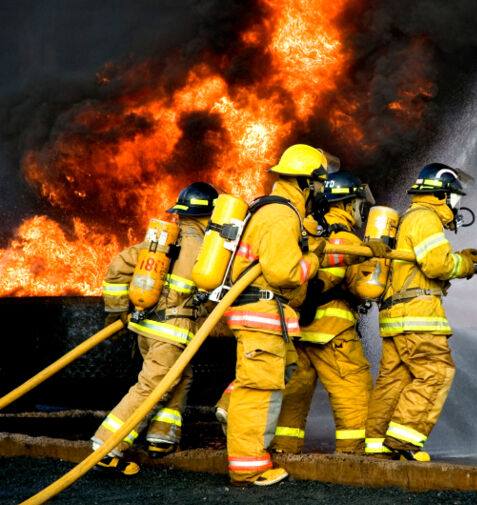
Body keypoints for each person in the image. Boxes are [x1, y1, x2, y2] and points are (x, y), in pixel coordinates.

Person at [92, 182, 219, 475]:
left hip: (146, 329)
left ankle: (161, 437)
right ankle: (106, 448)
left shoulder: (158, 243)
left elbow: (117, 267)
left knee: (181, 377)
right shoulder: (206, 252)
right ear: (209, 216)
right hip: (171, 334)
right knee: (152, 388)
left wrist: (117, 312)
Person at [223, 144, 329, 486]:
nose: (321, 191)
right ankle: (249, 467)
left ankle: (227, 404)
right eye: (319, 183)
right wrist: (314, 260)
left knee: (279, 372)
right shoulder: (282, 215)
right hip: (263, 314)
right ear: (304, 183)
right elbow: (284, 272)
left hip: (267, 315)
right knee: (258, 390)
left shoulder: (275, 210)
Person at [365, 163, 477, 461]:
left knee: (394, 380)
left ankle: (377, 447)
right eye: (455, 198)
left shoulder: (407, 218)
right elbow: (437, 265)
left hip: (395, 317)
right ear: (442, 195)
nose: (457, 206)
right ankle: (405, 440)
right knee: (436, 372)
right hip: (417, 316)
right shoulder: (426, 219)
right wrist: (466, 264)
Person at [270, 171, 380, 455]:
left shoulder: (303, 228)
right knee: (354, 393)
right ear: (346, 205)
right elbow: (362, 288)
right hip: (333, 332)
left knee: (294, 395)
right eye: (357, 204)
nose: (360, 211)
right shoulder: (345, 238)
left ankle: (284, 450)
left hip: (295, 330)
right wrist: (376, 264)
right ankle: (353, 457)